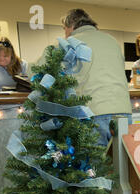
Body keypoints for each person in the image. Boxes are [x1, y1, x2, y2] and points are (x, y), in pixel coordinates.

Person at [30, 9, 132, 146]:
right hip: (124, 113)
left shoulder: (69, 43)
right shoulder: (111, 41)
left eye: (64, 29)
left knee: (92, 166)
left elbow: (38, 72)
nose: (65, 33)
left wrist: (24, 66)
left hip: (92, 114)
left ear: (71, 25)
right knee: (121, 165)